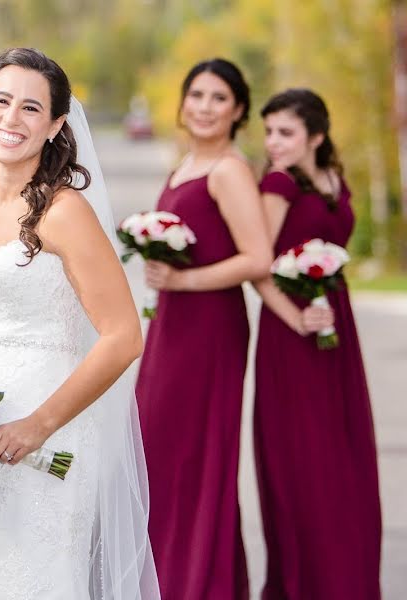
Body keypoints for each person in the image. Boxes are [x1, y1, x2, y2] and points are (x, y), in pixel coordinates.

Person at [0, 47, 160, 600]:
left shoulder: (65, 212)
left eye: (30, 108)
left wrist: (38, 425)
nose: (10, 119)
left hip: (46, 428)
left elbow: (122, 337)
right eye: (1, 102)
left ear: (55, 125)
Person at [135, 58, 271, 599]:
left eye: (219, 98)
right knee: (158, 455)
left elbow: (258, 257)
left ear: (238, 110)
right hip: (171, 327)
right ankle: (169, 581)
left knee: (190, 459)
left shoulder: (229, 170)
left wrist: (184, 282)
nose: (205, 107)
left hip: (209, 330)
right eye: (197, 94)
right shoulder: (185, 165)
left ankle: (198, 585)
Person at [252, 88, 382, 599]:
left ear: (317, 136)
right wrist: (298, 316)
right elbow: (259, 267)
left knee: (346, 463)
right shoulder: (277, 185)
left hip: (337, 331)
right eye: (269, 132)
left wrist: (322, 314)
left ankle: (348, 583)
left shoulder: (334, 180)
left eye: (286, 132)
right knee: (306, 468)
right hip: (290, 338)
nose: (274, 142)